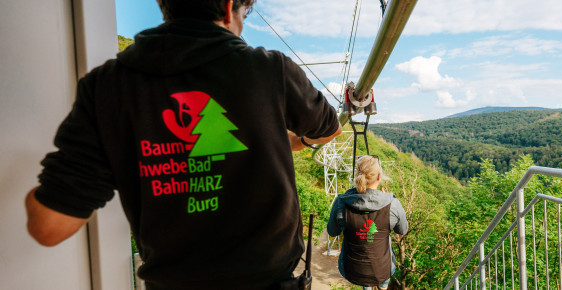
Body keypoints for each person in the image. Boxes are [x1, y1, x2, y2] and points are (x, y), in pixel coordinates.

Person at [24, 0, 341, 288]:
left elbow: (49, 226)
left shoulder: (106, 87)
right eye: (244, 16)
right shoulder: (272, 70)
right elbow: (330, 129)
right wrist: (294, 141)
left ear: (163, 4)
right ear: (229, 7)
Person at [327, 155, 408, 289]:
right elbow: (402, 230)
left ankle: (367, 287)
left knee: (365, 278)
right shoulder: (392, 204)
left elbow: (332, 231)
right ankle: (383, 285)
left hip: (352, 270)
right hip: (382, 270)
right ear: (379, 177)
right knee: (385, 242)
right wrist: (385, 199)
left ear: (357, 176)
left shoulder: (341, 202)